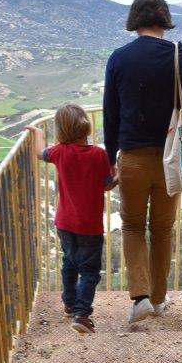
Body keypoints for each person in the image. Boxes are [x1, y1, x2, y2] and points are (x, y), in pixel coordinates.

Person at [103, 0, 182, 325]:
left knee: (133, 225)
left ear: (134, 20)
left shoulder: (118, 59)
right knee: (162, 230)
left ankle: (140, 298)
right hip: (172, 160)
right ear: (164, 19)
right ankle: (160, 300)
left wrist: (110, 158)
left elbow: (110, 115)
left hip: (132, 159)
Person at [29, 104, 116, 334]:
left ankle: (69, 303)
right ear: (86, 126)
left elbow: (40, 153)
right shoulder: (99, 154)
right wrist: (120, 175)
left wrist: (37, 133)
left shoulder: (59, 152)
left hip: (65, 222)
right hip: (90, 226)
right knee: (89, 270)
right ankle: (81, 313)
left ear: (61, 130)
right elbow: (107, 185)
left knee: (69, 261)